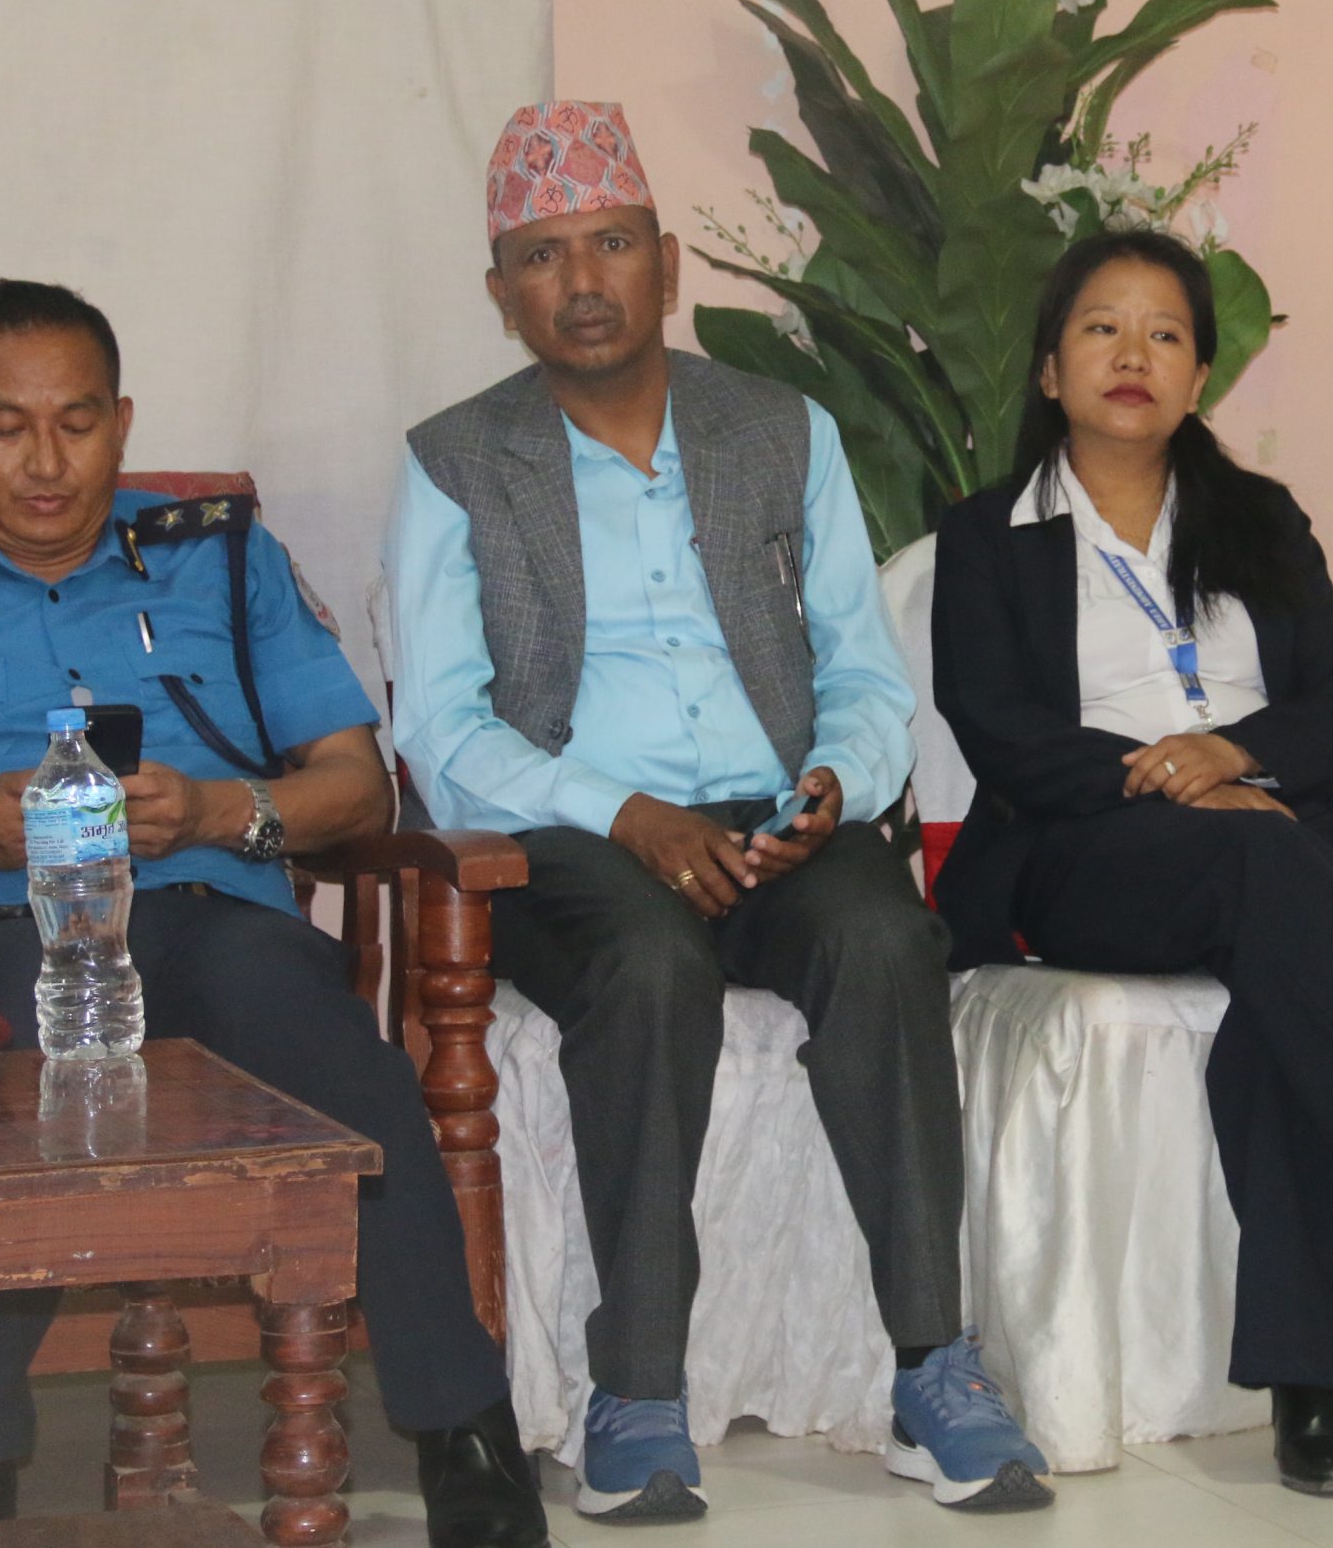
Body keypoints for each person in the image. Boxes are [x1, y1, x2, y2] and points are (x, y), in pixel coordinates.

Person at [0, 281, 549, 1548]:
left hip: (207, 911)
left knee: (339, 1061)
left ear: (123, 421)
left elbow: (354, 785)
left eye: (78, 424)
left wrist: (215, 812)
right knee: (2, 1081)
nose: (47, 463)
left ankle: (467, 1438)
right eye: (5, 427)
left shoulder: (220, 555)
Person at [383, 101, 1050, 1521]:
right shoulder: (454, 460)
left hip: (774, 815)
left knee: (884, 938)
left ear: (667, 262)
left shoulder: (779, 430)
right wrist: (622, 814)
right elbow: (441, 732)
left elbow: (863, 671)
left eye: (612, 243)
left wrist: (837, 780)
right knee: (648, 964)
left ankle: (933, 1368)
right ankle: (636, 1389)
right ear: (502, 292)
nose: (583, 280)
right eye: (544, 255)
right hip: (570, 839)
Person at [930, 229, 1333, 1497]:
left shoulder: (1259, 520)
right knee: (1269, 879)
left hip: (1262, 842)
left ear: (1197, 379)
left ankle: (1311, 1388)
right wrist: (1164, 773)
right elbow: (997, 729)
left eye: (1165, 334)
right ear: (1049, 370)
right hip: (1081, 851)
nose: (1133, 353)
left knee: (1278, 993)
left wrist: (1232, 753)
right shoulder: (987, 534)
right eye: (1101, 328)